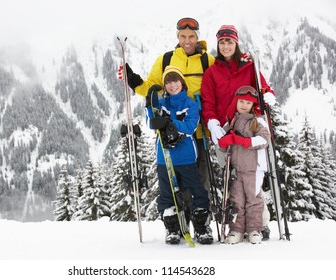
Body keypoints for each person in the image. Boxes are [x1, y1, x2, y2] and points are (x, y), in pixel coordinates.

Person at [118, 17, 216, 241]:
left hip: (198, 133)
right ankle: (177, 226)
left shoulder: (207, 60)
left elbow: (220, 85)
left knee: (199, 182)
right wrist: (132, 80)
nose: (187, 40)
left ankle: (202, 226)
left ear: (197, 36)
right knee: (173, 182)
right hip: (169, 135)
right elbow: (151, 90)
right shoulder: (166, 60)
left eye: (191, 36)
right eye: (183, 36)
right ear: (177, 36)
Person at [200, 24, 275, 239]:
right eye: (222, 42)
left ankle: (260, 222)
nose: (225, 45)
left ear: (236, 43)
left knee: (253, 177)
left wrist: (268, 95)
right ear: (218, 44)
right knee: (232, 180)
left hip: (249, 132)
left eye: (229, 41)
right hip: (225, 133)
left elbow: (263, 89)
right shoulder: (212, 72)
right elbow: (207, 102)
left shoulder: (249, 67)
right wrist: (212, 123)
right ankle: (237, 225)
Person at [145, 66, 212, 245]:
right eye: (168, 81)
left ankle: (201, 227)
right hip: (164, 158)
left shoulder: (190, 104)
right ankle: (172, 228)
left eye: (175, 81)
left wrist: (168, 122)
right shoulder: (162, 104)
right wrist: (149, 104)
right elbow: (151, 123)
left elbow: (190, 127)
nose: (172, 85)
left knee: (196, 192)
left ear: (182, 83)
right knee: (167, 195)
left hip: (186, 158)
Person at [218, 86, 270, 244]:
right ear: (236, 102)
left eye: (248, 102)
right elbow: (223, 144)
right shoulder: (231, 122)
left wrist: (244, 141)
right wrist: (223, 142)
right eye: (241, 101)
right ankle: (236, 230)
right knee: (236, 200)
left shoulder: (257, 121)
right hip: (236, 170)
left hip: (254, 169)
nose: (244, 105)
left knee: (253, 199)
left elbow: (264, 140)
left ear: (252, 105)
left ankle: (254, 229)